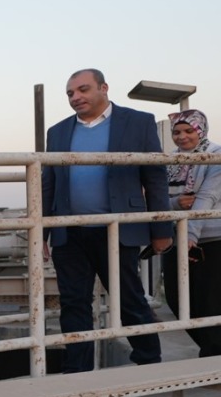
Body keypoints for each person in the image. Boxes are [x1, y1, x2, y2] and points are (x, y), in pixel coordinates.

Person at [42, 68, 172, 373]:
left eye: (83, 89)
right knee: (73, 303)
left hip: (118, 229)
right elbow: (48, 182)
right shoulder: (57, 132)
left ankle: (149, 364)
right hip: (69, 233)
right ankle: (77, 373)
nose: (76, 97)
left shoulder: (138, 122)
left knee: (129, 299)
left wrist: (161, 228)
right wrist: (43, 230)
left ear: (104, 88)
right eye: (70, 93)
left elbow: (154, 176)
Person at [162, 110, 221, 357]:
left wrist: (190, 235)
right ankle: (211, 350)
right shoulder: (172, 161)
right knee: (176, 298)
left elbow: (207, 197)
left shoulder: (220, 155)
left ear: (201, 130)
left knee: (213, 302)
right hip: (178, 236)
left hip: (214, 237)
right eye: (176, 132)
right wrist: (175, 204)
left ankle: (215, 360)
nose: (182, 136)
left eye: (188, 131)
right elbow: (162, 199)